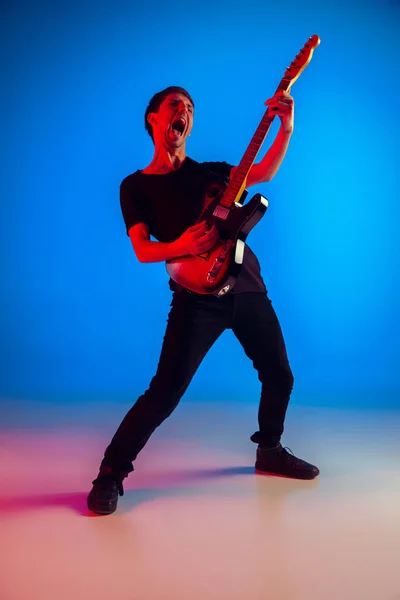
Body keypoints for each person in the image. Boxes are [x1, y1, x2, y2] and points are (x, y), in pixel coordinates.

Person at [87, 85, 319, 515]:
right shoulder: (135, 187)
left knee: (280, 375)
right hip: (196, 298)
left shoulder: (212, 172)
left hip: (247, 286)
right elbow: (143, 250)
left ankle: (269, 450)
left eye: (190, 108)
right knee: (164, 392)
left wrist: (286, 125)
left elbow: (264, 171)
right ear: (153, 118)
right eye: (175, 105)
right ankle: (110, 474)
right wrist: (181, 243)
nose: (184, 112)